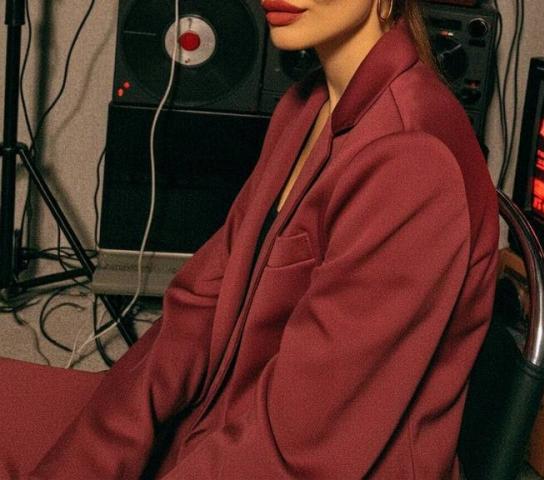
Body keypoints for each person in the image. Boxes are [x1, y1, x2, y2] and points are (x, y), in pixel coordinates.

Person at [0, 0, 499, 478]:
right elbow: (198, 307)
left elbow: (300, 449)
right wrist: (92, 457)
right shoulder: (305, 106)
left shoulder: (413, 159)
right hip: (219, 419)